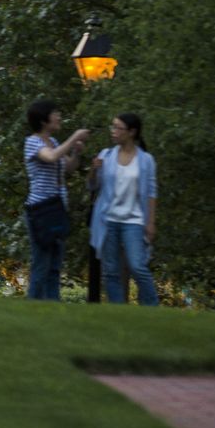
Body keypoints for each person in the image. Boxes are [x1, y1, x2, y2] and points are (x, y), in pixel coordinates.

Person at [24, 99, 90, 301]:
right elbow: (51, 158)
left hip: (57, 210)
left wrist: (75, 152)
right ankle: (32, 307)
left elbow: (68, 167)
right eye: (55, 114)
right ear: (44, 120)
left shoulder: (53, 142)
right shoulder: (33, 142)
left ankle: (53, 309)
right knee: (41, 264)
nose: (59, 117)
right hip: (41, 210)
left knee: (54, 266)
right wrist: (74, 137)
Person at [91, 113, 159, 306]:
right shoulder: (107, 155)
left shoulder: (146, 160)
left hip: (134, 221)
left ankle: (153, 306)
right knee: (110, 270)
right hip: (108, 220)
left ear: (131, 132)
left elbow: (152, 192)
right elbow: (93, 186)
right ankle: (118, 309)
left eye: (118, 128)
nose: (113, 132)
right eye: (112, 127)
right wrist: (94, 169)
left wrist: (151, 222)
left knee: (138, 266)